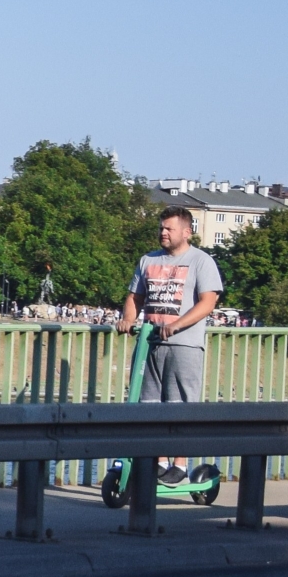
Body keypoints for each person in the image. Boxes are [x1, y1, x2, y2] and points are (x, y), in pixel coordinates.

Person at [119, 205, 221, 479]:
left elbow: (208, 302)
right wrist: (128, 319)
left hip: (184, 344)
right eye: (161, 228)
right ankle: (159, 459)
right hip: (151, 343)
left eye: (169, 229)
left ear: (186, 232)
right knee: (150, 403)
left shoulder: (201, 261)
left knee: (180, 405)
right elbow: (134, 297)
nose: (163, 232)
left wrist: (177, 325)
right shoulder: (148, 260)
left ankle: (180, 463)